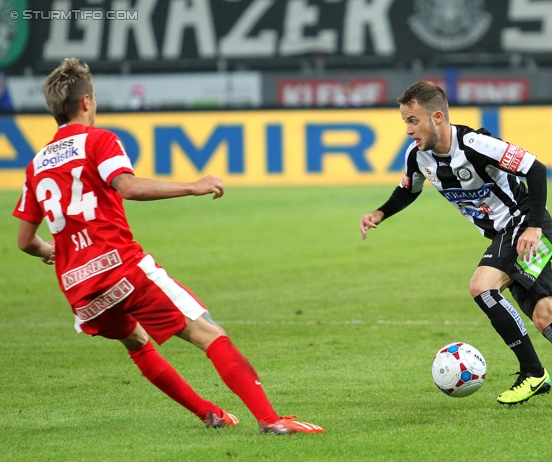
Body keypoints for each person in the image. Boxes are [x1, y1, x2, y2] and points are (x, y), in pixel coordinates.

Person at [13, 58, 324, 435]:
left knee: (137, 343)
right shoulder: (99, 140)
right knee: (209, 334)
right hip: (121, 268)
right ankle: (271, 420)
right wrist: (192, 186)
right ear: (87, 102)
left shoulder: (37, 164)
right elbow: (128, 187)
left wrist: (52, 252)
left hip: (81, 290)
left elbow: (26, 241)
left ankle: (208, 413)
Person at [359, 81, 552, 410]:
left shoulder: (475, 144)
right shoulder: (417, 157)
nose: (409, 130)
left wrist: (532, 225)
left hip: (522, 225)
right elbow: (408, 189)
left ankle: (533, 372)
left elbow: (535, 169)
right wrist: (380, 213)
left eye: (413, 121)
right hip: (509, 234)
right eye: (405, 122)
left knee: (482, 287)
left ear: (437, 117)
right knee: (546, 317)